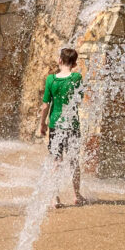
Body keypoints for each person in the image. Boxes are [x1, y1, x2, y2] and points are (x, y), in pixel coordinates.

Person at [38, 46, 84, 207]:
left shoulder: (51, 79)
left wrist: (42, 124)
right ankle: (77, 195)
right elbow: (79, 101)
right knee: (74, 161)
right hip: (72, 125)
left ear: (60, 60)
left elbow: (45, 105)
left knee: (56, 161)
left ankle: (55, 197)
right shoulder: (77, 78)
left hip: (55, 125)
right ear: (74, 63)